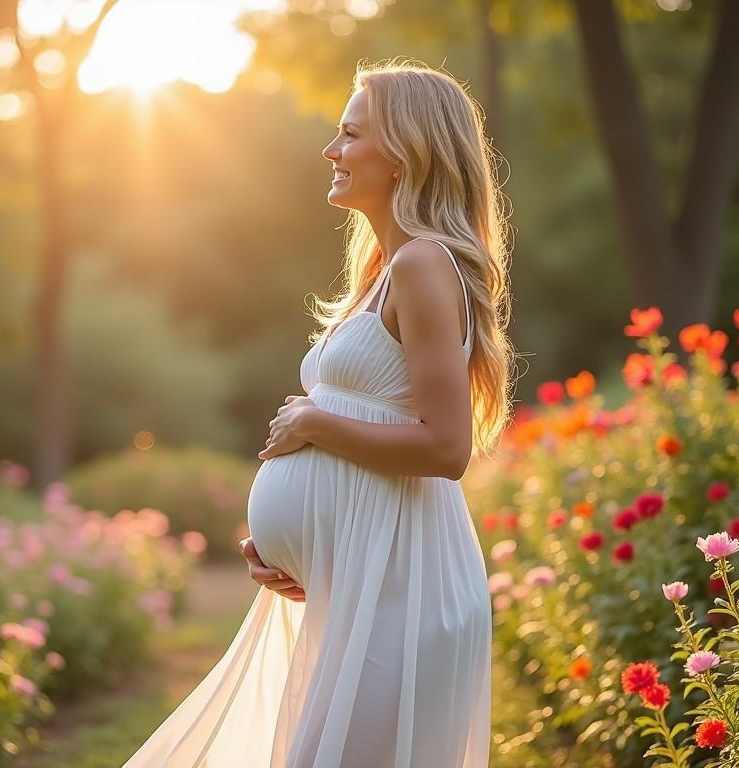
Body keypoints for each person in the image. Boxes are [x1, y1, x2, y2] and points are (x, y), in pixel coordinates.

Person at [123, 57, 515, 768]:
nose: (331, 150)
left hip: (405, 590)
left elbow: (446, 448)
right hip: (362, 580)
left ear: (404, 154)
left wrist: (313, 425)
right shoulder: (384, 273)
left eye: (349, 134)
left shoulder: (425, 266)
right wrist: (305, 552)